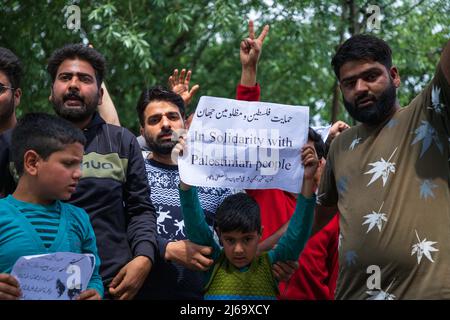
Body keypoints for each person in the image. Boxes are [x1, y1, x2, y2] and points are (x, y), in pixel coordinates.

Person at [0, 44, 158, 299]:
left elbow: (141, 209)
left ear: (100, 94)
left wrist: (144, 257)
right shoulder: (17, 142)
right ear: (51, 91)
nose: (74, 85)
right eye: (65, 78)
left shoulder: (122, 142)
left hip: (112, 286)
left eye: (84, 79)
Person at [315, 34, 450, 299]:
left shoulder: (428, 116)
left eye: (371, 76)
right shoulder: (340, 146)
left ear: (395, 76)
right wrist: (267, 252)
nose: (360, 88)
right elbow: (315, 218)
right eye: (349, 83)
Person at [237, 20, 344, 299]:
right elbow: (248, 130)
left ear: (321, 163)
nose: (300, 160)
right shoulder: (264, 188)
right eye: (292, 153)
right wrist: (249, 70)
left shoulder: (330, 216)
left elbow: (334, 281)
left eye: (308, 155)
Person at [175, 136, 319, 300]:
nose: (238, 250)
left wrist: (307, 180)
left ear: (260, 234)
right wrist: (186, 174)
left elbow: (297, 233)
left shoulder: (271, 266)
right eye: (230, 240)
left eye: (247, 239)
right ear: (219, 235)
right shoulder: (213, 263)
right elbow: (195, 223)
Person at [134, 85, 235, 299]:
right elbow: (113, 226)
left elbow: (242, 231)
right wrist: (166, 249)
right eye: (154, 120)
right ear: (142, 131)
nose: (165, 124)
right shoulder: (132, 171)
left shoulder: (217, 176)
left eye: (172, 116)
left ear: (185, 124)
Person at [0, 113, 103, 300]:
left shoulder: (80, 219)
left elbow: (93, 276)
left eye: (80, 164)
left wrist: (95, 292)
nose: (79, 173)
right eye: (69, 163)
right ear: (32, 163)